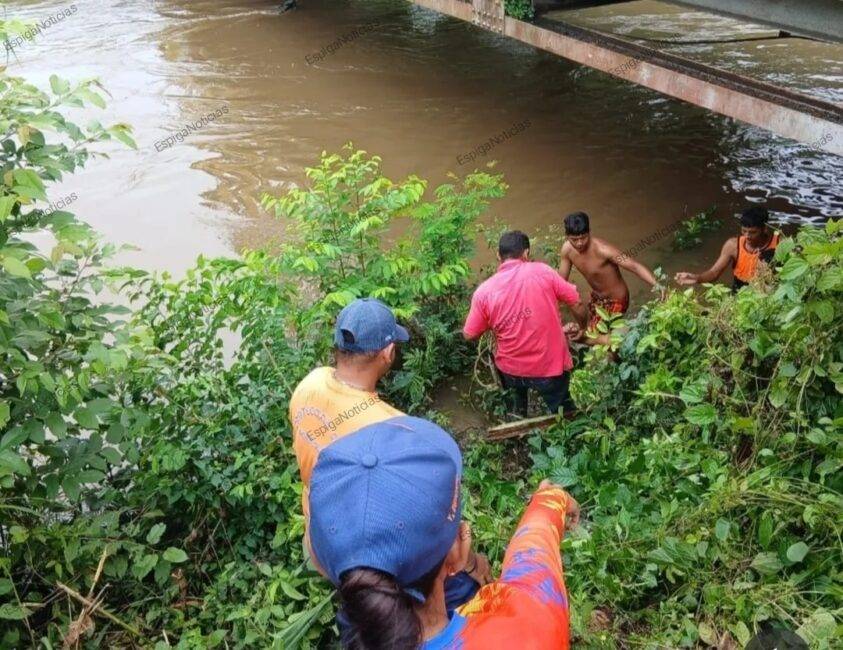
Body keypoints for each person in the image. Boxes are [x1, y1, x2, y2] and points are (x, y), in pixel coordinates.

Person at [308, 415, 580, 649]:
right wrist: (551, 499)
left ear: (321, 563)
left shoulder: (358, 634)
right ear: (456, 553)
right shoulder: (527, 624)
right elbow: (533, 560)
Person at [289, 298, 490, 609]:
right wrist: (472, 563)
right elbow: (435, 522)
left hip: (322, 540)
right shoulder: (394, 430)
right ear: (387, 352)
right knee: (458, 586)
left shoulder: (309, 384)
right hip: (374, 556)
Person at [463, 230, 580, 417]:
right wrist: (583, 327)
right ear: (526, 253)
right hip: (549, 367)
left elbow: (469, 334)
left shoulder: (483, 292)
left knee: (516, 414)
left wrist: (494, 323)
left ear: (498, 255)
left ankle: (518, 422)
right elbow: (576, 301)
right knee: (564, 412)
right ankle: (568, 427)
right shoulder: (542, 272)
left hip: (511, 370)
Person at [559, 211, 658, 341]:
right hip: (598, 297)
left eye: (583, 237)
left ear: (589, 232)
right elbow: (560, 282)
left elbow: (634, 266)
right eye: (574, 239)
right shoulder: (567, 250)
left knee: (594, 338)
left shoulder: (603, 250)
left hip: (618, 299)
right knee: (592, 330)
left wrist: (657, 285)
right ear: (567, 237)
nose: (579, 243)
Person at [675, 206, 779, 291]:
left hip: (767, 290)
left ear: (764, 229)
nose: (747, 236)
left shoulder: (779, 244)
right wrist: (697, 278)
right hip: (740, 290)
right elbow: (714, 273)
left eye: (752, 232)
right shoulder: (733, 245)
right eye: (744, 231)